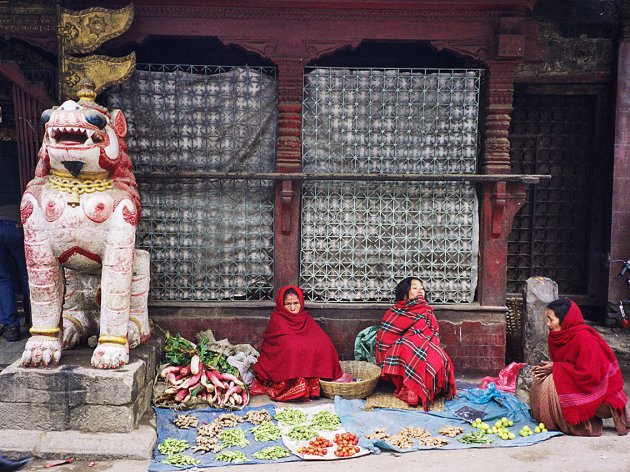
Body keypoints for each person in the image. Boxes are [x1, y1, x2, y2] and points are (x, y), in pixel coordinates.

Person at [530, 298, 629, 436]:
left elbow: (589, 374)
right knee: (541, 378)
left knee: (551, 384)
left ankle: (584, 423)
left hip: (601, 394)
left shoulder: (583, 338)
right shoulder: (560, 336)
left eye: (551, 320)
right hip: (578, 380)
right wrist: (555, 367)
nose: (547, 323)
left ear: (565, 320)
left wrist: (557, 367)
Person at [375, 277, 456, 409]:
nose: (420, 290)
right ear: (405, 293)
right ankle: (409, 389)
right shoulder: (394, 312)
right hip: (397, 350)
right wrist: (412, 340)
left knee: (436, 357)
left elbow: (434, 334)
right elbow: (384, 339)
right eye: (415, 288)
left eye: (422, 288)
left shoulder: (427, 311)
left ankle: (425, 390)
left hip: (423, 347)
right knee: (408, 345)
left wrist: (420, 341)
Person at [251, 285, 343, 401]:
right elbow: (280, 344)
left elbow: (319, 338)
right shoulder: (277, 319)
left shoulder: (305, 317)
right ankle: (295, 386)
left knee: (323, 345)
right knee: (292, 347)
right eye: (288, 304)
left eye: (296, 303)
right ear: (282, 305)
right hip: (284, 371)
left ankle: (312, 386)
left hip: (304, 360)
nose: (293, 308)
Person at [0, 142, 30, 342]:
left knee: (3, 278)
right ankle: (35, 321)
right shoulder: (22, 155)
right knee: (28, 274)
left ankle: (10, 326)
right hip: (16, 222)